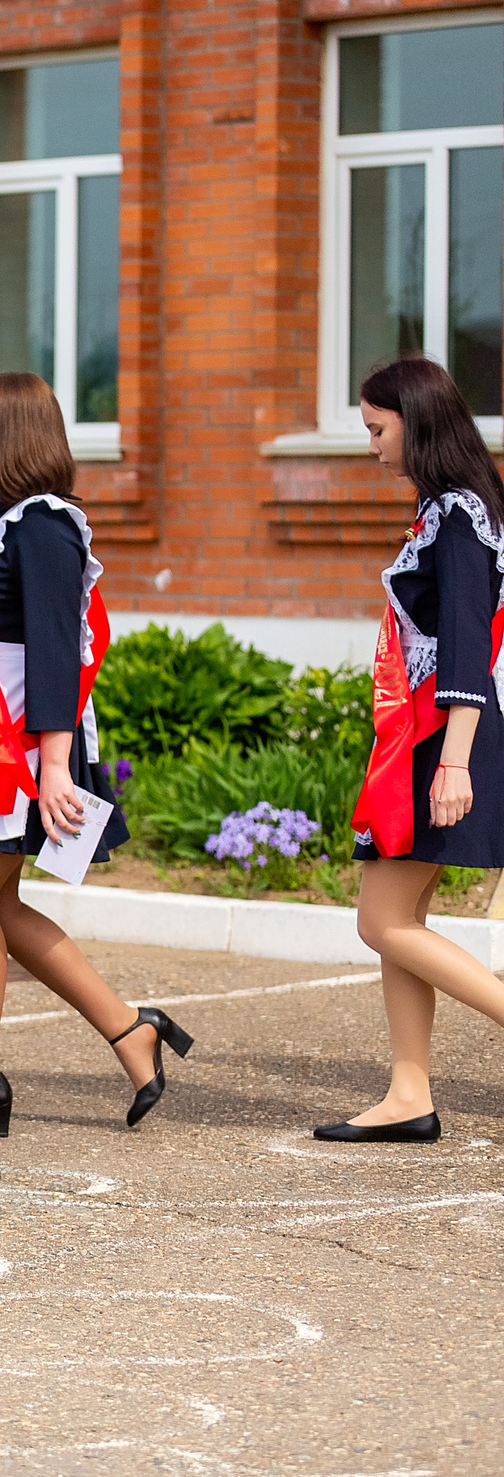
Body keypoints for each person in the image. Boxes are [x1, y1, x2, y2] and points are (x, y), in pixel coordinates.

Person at [0, 370, 185, 1140]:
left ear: (11, 435)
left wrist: (53, 767)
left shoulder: (45, 524)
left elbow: (59, 648)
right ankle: (130, 1028)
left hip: (24, 742)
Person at [328, 357, 504, 1142]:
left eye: (377, 428)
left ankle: (410, 1089)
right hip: (421, 736)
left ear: (417, 422)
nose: (369, 443)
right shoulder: (442, 508)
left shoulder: (460, 515)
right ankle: (408, 1091)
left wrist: (456, 761)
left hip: (443, 737)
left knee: (382, 919)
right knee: (401, 916)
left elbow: (467, 644)